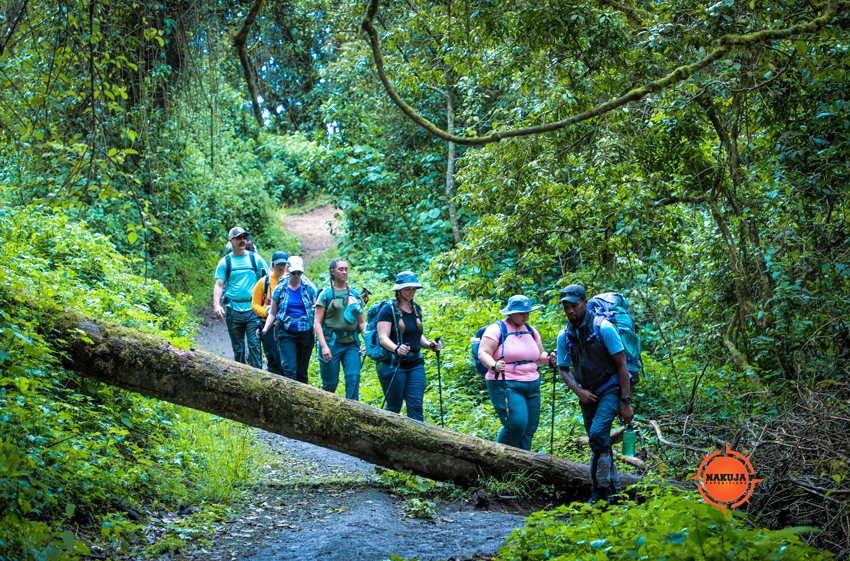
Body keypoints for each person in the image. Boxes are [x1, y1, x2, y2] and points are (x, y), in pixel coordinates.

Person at [557, 284, 634, 505]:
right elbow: (563, 369)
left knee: (598, 435)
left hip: (610, 388)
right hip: (587, 394)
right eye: (566, 307)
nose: (570, 310)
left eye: (574, 305)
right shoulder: (565, 335)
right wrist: (579, 391)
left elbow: (622, 365)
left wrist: (625, 401)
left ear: (585, 303)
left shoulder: (604, 328)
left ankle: (598, 494)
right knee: (599, 442)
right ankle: (614, 493)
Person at [477, 295, 555, 451]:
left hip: (532, 385)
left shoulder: (531, 331)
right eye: (521, 313)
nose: (525, 316)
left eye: (527, 313)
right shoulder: (497, 329)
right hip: (506, 383)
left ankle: (523, 462)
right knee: (516, 424)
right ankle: (496, 458)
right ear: (511, 313)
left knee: (530, 428)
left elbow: (539, 356)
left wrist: (551, 358)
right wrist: (494, 365)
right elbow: (483, 353)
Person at [376, 271, 442, 422]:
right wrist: (396, 348)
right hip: (393, 364)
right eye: (407, 289)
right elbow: (383, 338)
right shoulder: (388, 309)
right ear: (399, 290)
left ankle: (418, 436)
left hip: (415, 364)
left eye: (413, 289)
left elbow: (416, 336)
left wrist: (430, 345)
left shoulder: (416, 308)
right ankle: (386, 434)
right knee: (394, 407)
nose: (411, 292)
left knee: (416, 405)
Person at [213, 227, 269, 368]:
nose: (243, 240)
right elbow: (219, 285)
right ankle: (240, 375)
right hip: (233, 310)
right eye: (239, 238)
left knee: (254, 345)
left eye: (244, 237)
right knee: (238, 348)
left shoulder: (255, 259)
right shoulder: (225, 262)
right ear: (230, 241)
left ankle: (257, 376)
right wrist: (217, 305)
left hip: (253, 310)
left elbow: (267, 280)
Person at [314, 258, 367, 400]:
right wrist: (324, 346)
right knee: (330, 383)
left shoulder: (354, 294)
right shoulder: (326, 294)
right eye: (340, 269)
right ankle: (325, 408)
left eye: (346, 269)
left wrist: (369, 342)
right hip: (331, 343)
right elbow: (317, 323)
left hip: (351, 343)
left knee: (353, 378)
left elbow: (362, 322)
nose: (344, 272)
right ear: (333, 272)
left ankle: (353, 409)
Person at [260, 256, 318, 384]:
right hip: (287, 332)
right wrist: (265, 329)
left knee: (302, 371)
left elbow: (317, 310)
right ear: (287, 270)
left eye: (299, 273)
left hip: (306, 332)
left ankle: (303, 395)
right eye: (294, 273)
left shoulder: (309, 287)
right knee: (289, 370)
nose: (296, 276)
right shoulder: (280, 288)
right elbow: (273, 313)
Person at [252, 251, 288, 375]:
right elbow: (255, 304)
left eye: (283, 264)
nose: (281, 267)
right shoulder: (264, 282)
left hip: (286, 325)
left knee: (287, 358)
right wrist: (268, 313)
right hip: (269, 327)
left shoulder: (291, 281)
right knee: (273, 358)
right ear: (272, 265)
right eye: (278, 264)